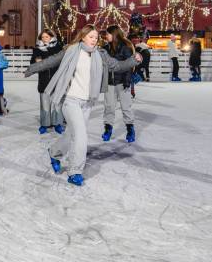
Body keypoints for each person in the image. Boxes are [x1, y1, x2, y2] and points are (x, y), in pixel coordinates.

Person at [24, 25, 141, 186]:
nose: (94, 40)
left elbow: (117, 66)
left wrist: (133, 60)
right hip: (70, 100)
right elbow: (52, 61)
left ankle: (54, 153)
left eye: (96, 37)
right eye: (91, 36)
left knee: (71, 133)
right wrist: (33, 68)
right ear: (83, 36)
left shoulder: (101, 54)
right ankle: (75, 171)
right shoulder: (71, 50)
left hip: (87, 102)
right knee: (80, 136)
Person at [102, 25, 137, 143]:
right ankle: (108, 129)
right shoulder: (105, 48)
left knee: (126, 107)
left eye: (107, 34)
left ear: (114, 34)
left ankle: (130, 129)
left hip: (123, 82)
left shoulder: (125, 48)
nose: (106, 36)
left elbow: (129, 66)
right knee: (109, 107)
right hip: (110, 83)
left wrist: (127, 81)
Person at [30, 29, 64, 134]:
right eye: (43, 37)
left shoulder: (58, 48)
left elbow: (63, 62)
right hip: (44, 80)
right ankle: (45, 124)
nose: (44, 39)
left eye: (47, 37)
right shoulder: (37, 50)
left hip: (56, 80)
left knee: (56, 103)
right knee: (45, 104)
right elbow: (32, 63)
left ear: (51, 37)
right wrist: (35, 61)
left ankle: (57, 123)